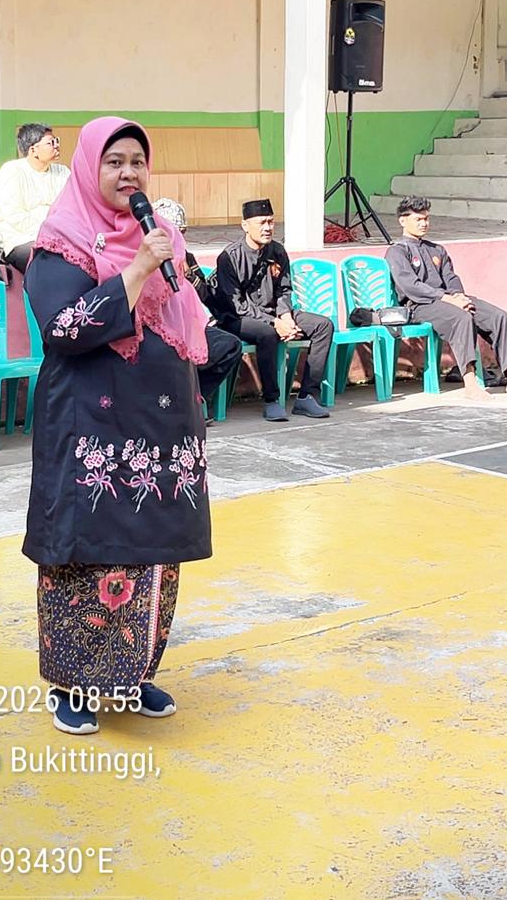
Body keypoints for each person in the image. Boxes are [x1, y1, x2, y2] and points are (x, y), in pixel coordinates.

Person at [24, 117, 211, 737]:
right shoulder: (62, 242)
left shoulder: (161, 237)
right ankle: (73, 684)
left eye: (137, 162)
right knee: (88, 551)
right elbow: (64, 328)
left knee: (152, 551)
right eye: (114, 162)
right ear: (89, 168)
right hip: (90, 427)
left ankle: (133, 673)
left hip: (159, 426)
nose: (128, 173)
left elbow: (182, 318)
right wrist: (136, 271)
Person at [386, 196, 507, 399]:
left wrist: (459, 297)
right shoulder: (397, 251)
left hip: (450, 300)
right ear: (403, 221)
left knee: (498, 316)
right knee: (461, 318)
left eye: (426, 218)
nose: (424, 223)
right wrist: (447, 299)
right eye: (418, 219)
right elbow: (411, 287)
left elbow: (451, 278)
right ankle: (470, 383)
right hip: (420, 305)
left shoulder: (436, 249)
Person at [211, 199, 333, 422]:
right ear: (245, 225)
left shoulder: (277, 251)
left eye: (271, 222)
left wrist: (286, 316)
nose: (267, 228)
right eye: (261, 223)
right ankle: (271, 400)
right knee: (267, 333)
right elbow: (237, 304)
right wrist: (275, 322)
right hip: (238, 318)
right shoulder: (230, 257)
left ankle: (307, 396)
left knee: (323, 326)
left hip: (275, 313)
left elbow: (284, 289)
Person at [151, 197, 242, 415]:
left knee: (230, 346)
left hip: (191, 326)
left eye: (182, 232)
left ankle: (193, 399)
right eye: (173, 232)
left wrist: (189, 275)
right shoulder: (146, 259)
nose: (178, 238)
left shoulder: (187, 257)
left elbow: (206, 296)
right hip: (160, 329)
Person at [0, 123, 70, 273]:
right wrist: (48, 231)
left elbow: (71, 210)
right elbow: (14, 216)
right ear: (33, 150)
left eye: (56, 141)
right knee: (50, 263)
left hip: (59, 239)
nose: (56, 146)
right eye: (51, 143)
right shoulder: (12, 172)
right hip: (20, 240)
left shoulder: (63, 172)